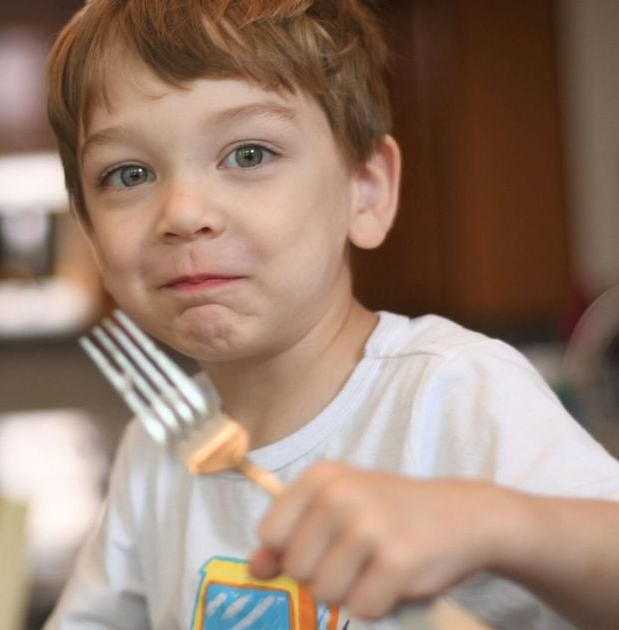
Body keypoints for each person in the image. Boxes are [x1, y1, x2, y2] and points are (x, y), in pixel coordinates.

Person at [42, 1, 619, 628]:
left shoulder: (451, 391)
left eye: (248, 154)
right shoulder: (159, 449)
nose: (182, 212)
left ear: (365, 192)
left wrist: (492, 521)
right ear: (92, 238)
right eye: (128, 173)